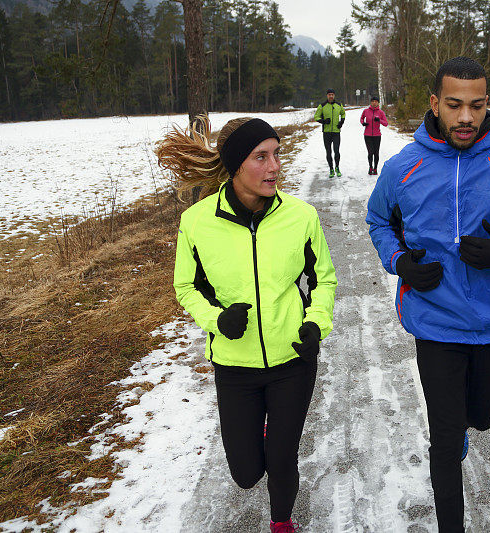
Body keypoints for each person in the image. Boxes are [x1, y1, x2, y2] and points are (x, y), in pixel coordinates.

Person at [366, 57, 490, 532]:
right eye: (454, 105)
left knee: (483, 415)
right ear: (434, 104)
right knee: (445, 435)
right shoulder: (404, 166)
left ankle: (461, 432)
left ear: (486, 104)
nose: (466, 118)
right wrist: (401, 262)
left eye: (475, 106)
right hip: (432, 319)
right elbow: (377, 221)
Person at [158, 115, 337, 533]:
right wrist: (217, 319)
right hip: (235, 366)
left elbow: (324, 279)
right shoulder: (198, 222)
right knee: (245, 473)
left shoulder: (301, 216)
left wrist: (316, 324)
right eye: (261, 157)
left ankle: (281, 523)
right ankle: (259, 432)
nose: (275, 166)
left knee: (281, 458)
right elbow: (186, 287)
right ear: (237, 164)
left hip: (292, 360)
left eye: (276, 154)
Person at [314, 88, 345, 177]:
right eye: (329, 94)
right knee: (328, 152)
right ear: (327, 95)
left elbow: (343, 113)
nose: (331, 96)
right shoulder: (322, 106)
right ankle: (331, 169)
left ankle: (337, 167)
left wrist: (341, 122)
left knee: (336, 151)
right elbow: (316, 117)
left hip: (336, 132)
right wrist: (323, 121)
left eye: (332, 94)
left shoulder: (339, 105)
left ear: (334, 95)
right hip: (326, 132)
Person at [360, 95, 388, 175]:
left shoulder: (381, 112)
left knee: (376, 153)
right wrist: (363, 123)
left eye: (376, 101)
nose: (374, 103)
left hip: (377, 135)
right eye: (372, 101)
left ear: (378, 103)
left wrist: (379, 120)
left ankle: (375, 168)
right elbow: (361, 118)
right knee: (370, 152)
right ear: (370, 102)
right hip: (367, 135)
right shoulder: (366, 111)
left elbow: (386, 123)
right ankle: (370, 167)